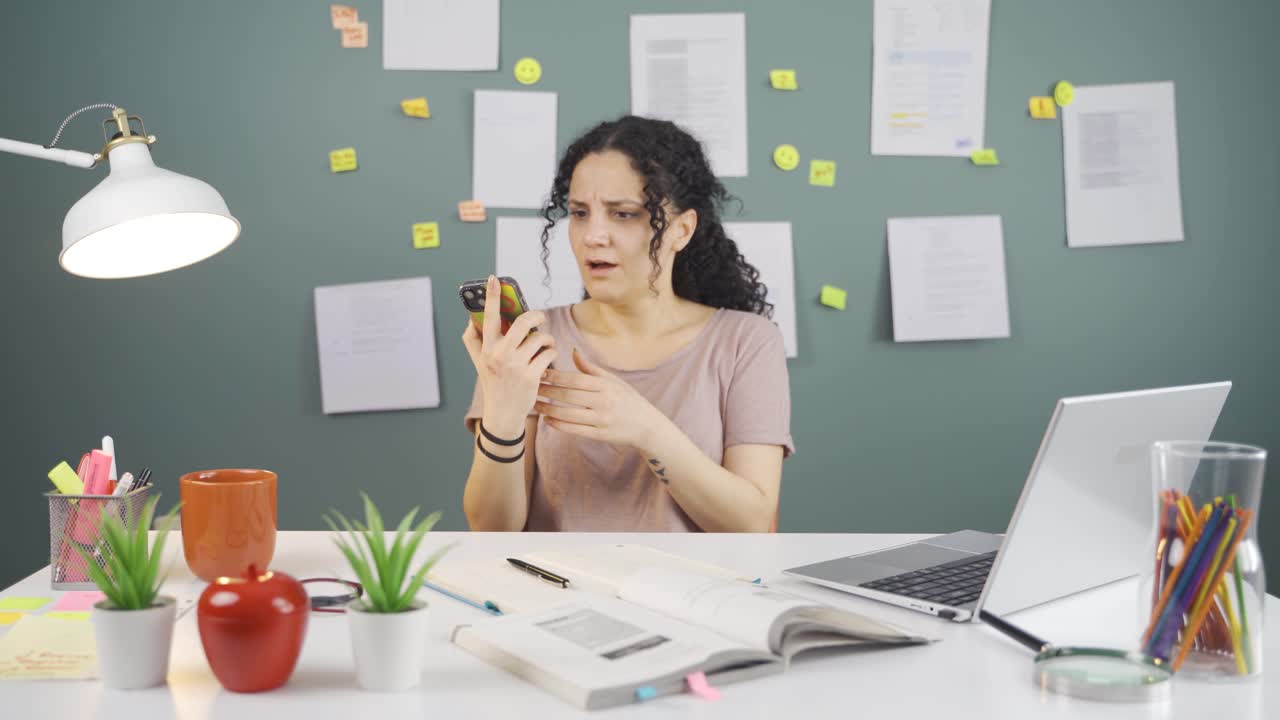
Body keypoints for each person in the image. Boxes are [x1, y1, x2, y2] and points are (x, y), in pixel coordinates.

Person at [461, 115, 793, 532]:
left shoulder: (747, 341)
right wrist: (503, 410)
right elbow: (491, 530)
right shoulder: (530, 344)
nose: (592, 235)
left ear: (681, 229)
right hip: (552, 592)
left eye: (624, 214)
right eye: (580, 213)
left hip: (695, 594)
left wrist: (646, 429)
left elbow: (754, 526)